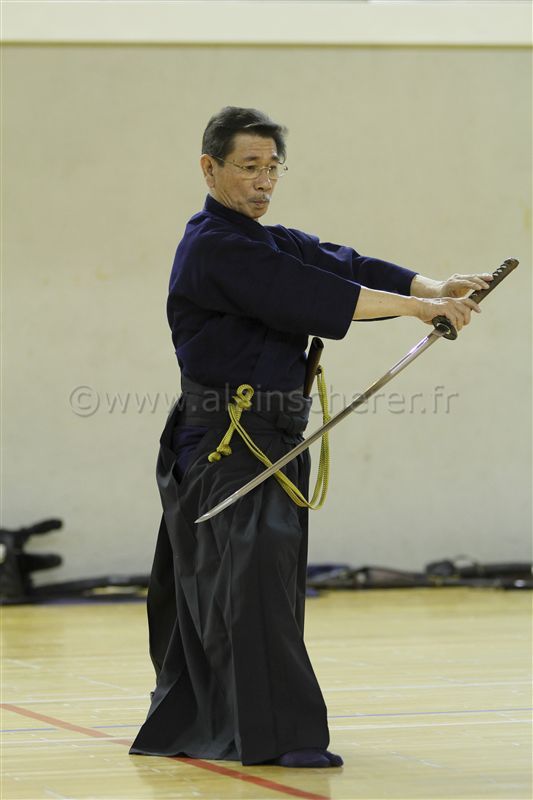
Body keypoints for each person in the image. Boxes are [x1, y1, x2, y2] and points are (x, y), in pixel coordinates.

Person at [130, 107, 491, 769]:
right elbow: (317, 292)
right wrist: (422, 309)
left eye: (273, 168)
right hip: (226, 443)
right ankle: (280, 737)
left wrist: (432, 285)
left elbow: (342, 262)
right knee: (248, 587)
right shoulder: (215, 247)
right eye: (249, 167)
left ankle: (217, 723)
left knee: (252, 583)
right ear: (209, 168)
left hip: (267, 439)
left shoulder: (267, 240)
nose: (264, 181)